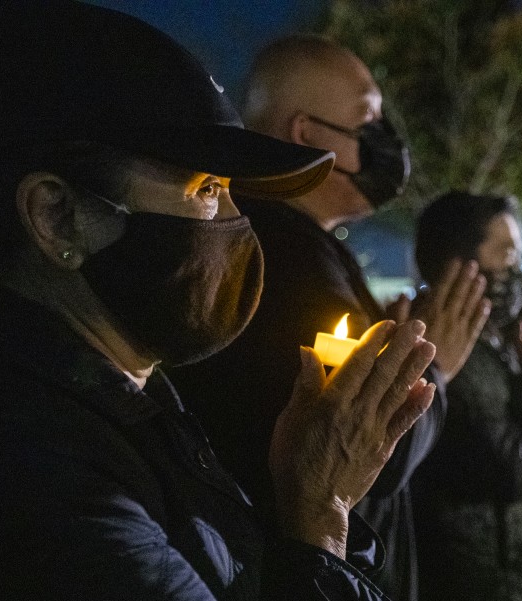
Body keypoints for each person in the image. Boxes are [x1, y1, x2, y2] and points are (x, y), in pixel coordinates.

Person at [0, 2, 438, 599]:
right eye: (206, 188)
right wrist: (318, 521)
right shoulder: (29, 476)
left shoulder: (135, 403)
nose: (237, 220)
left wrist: (307, 503)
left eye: (229, 189)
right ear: (56, 216)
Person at [168, 35, 489, 601]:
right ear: (308, 134)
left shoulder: (299, 246)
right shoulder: (287, 262)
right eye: (368, 119)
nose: (387, 141)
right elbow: (365, 460)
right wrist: (434, 365)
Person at [410, 191, 522, 601]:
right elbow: (518, 470)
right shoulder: (452, 355)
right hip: (498, 578)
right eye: (506, 253)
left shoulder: (498, 340)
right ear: (459, 261)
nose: (518, 271)